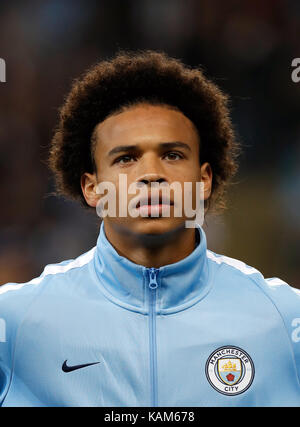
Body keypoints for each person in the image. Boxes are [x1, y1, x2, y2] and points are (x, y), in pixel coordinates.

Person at [0, 50, 299, 407]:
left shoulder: (285, 321)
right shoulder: (15, 324)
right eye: (126, 158)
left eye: (172, 155)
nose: (151, 174)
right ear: (92, 187)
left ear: (204, 179)